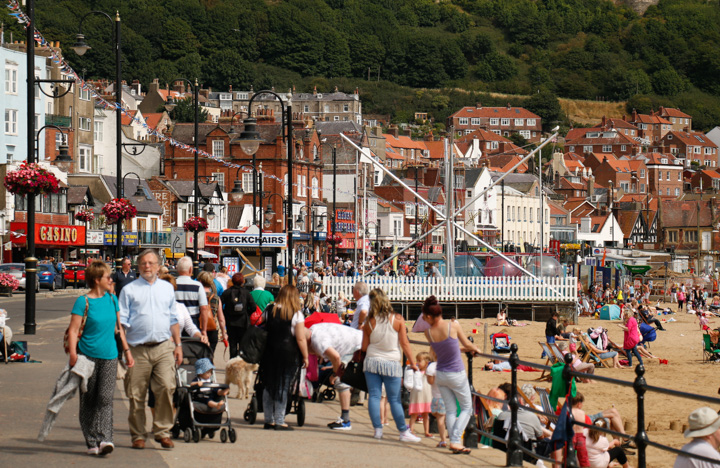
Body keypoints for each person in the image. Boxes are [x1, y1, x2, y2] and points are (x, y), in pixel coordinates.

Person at [67, 260, 134, 456]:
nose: (111, 279)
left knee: (105, 398)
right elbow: (72, 331)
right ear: (97, 280)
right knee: (89, 399)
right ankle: (91, 440)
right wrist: (72, 354)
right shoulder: (83, 301)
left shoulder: (113, 300)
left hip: (110, 356)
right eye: (107, 277)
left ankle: (106, 438)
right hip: (86, 356)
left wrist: (127, 351)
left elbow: (118, 328)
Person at [119, 249, 182, 450]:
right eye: (144, 263)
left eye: (151, 263)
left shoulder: (167, 289)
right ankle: (138, 435)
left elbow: (173, 319)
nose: (147, 266)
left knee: (166, 387)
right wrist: (126, 349)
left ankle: (162, 431)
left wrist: (178, 344)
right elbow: (122, 322)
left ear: (158, 265)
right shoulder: (129, 290)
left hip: (163, 346)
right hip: (137, 348)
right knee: (136, 394)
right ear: (138, 266)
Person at [422, 295, 481, 454]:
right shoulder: (452, 326)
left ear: (429, 316)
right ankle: (455, 440)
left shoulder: (428, 332)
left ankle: (452, 440)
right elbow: (466, 343)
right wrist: (475, 348)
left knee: (450, 410)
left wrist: (465, 348)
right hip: (456, 372)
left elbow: (445, 349)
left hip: (441, 373)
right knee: (467, 408)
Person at [361, 288, 420, 442]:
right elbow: (405, 344)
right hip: (391, 362)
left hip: (372, 362)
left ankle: (378, 430)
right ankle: (402, 431)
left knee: (374, 396)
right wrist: (413, 363)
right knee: (394, 399)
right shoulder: (397, 319)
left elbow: (364, 347)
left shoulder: (369, 321)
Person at [259, 285, 308, 430]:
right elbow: (300, 339)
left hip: (269, 352)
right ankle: (280, 420)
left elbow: (262, 324)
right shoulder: (296, 314)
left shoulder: (269, 309)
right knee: (283, 385)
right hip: (288, 353)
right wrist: (305, 356)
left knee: (268, 384)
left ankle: (269, 419)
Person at [305, 322, 362, 431]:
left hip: (355, 348)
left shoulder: (318, 342)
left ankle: (345, 421)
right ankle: (345, 419)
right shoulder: (314, 329)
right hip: (357, 341)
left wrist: (335, 374)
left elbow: (335, 357)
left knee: (341, 381)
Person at [158, 273, 207, 343]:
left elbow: (190, 327)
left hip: (177, 347)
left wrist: (200, 336)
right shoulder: (153, 307)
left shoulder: (180, 307)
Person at [220, 273, 257, 359]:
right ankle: (240, 362)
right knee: (242, 344)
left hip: (230, 322)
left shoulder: (227, 292)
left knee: (232, 344)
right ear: (242, 282)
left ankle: (232, 362)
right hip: (243, 321)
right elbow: (253, 307)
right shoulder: (246, 293)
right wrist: (247, 313)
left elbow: (219, 304)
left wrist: (225, 313)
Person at [174, 256, 210, 335]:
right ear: (190, 269)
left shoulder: (172, 285)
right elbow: (204, 308)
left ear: (177, 269)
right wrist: (204, 330)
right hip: (193, 321)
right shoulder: (198, 286)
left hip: (175, 321)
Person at [197, 271, 227, 353]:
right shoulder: (216, 298)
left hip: (198, 327)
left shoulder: (197, 295)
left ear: (200, 281)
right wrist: (224, 333)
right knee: (210, 353)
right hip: (213, 327)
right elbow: (221, 318)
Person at [425, 351, 448, 448]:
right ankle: (452, 436)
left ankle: (443, 440)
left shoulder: (432, 367)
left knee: (440, 418)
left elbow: (430, 382)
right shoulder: (448, 366)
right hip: (448, 397)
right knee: (449, 417)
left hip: (438, 397)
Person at [408, 351, 433, 437]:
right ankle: (411, 430)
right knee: (414, 414)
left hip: (426, 396)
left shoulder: (428, 372)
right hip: (417, 396)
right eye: (417, 360)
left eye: (419, 361)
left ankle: (426, 431)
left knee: (426, 414)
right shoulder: (416, 371)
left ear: (426, 363)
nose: (417, 363)